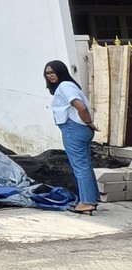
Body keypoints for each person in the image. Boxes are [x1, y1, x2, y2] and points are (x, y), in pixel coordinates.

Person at [44, 61, 100, 214]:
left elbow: (80, 106)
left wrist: (89, 122)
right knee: (85, 165)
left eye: (52, 72)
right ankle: (92, 197)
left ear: (60, 72)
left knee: (80, 166)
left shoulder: (64, 86)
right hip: (80, 129)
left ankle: (87, 202)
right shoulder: (69, 85)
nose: (50, 76)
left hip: (73, 129)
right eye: (47, 73)